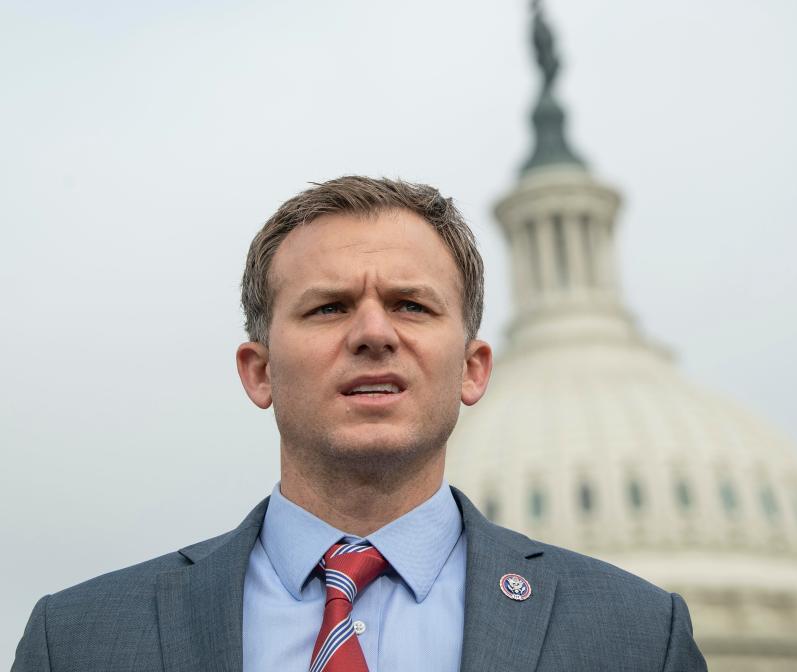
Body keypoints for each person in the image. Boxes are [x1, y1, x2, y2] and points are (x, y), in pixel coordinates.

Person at [13, 176, 707, 671]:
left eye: (411, 305)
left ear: (472, 368)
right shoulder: (77, 641)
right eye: (328, 308)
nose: (374, 332)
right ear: (258, 371)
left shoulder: (638, 637)